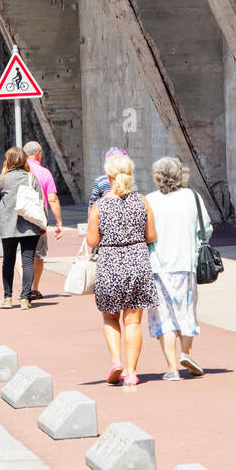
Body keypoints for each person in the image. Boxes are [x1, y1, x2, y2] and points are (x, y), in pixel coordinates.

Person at [86, 153, 156, 387]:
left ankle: (116, 361)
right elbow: (152, 236)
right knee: (133, 322)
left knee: (110, 317)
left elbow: (92, 241)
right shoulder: (142, 201)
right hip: (137, 262)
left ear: (108, 177)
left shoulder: (100, 205)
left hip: (110, 264)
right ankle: (131, 372)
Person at [146, 156, 212, 380]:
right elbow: (206, 230)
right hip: (187, 264)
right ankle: (187, 353)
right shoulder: (192, 197)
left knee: (163, 316)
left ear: (157, 178)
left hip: (157, 266)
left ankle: (172, 367)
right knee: (186, 310)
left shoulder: (150, 200)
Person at [0, 147, 45, 310]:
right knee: (27, 261)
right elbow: (40, 200)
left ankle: (7, 298)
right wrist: (43, 224)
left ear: (8, 161)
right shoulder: (31, 177)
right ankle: (25, 298)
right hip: (29, 225)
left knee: (8, 260)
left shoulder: (3, 178)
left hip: (8, 225)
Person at [22, 140, 63, 300]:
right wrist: (59, 222)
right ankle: (34, 288)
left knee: (22, 254)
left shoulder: (17, 170)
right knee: (38, 255)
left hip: (20, 219)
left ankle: (25, 287)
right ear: (38, 154)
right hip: (39, 220)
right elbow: (52, 199)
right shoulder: (44, 172)